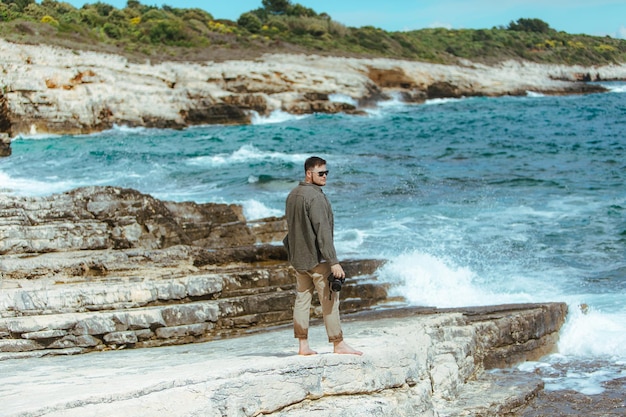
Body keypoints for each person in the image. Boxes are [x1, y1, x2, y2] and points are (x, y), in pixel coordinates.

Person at [283, 156, 363, 356]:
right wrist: (333, 262)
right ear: (309, 174)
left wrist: (292, 253)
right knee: (330, 300)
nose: (325, 176)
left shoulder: (293, 195)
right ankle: (338, 344)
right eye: (321, 173)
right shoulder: (316, 198)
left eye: (327, 172)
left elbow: (290, 229)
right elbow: (323, 233)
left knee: (302, 300)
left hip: (299, 259)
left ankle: (303, 346)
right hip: (318, 261)